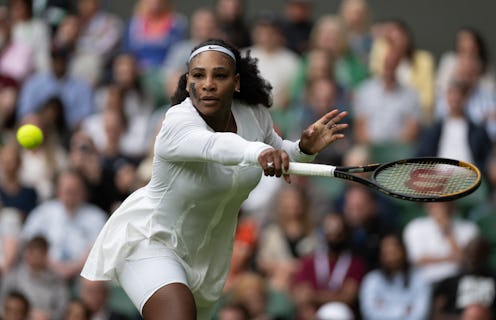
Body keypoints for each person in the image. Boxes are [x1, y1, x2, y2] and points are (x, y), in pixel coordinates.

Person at [80, 38, 348, 320]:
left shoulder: (254, 116)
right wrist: (261, 152)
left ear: (236, 82)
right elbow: (216, 146)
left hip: (208, 260)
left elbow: (283, 157)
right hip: (150, 240)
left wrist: (303, 149)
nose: (207, 83)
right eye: (198, 75)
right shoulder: (177, 123)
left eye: (219, 75)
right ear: (187, 82)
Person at [359, 233, 431, 320]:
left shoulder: (419, 278)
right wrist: (404, 310)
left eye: (394, 252)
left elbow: (420, 315)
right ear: (381, 256)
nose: (391, 258)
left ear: (404, 252)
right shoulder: (372, 280)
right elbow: (370, 314)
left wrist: (384, 308)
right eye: (387, 253)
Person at [0, 235, 70, 320]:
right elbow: (2, 303)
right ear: (26, 252)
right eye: (32, 251)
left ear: (46, 254)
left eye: (39, 253)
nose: (35, 257)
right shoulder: (13, 277)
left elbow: (63, 308)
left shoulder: (57, 281)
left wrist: (50, 316)